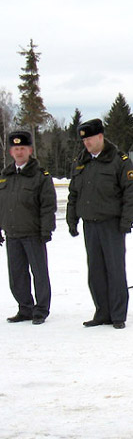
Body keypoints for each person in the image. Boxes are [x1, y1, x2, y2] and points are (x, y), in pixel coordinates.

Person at [66, 118, 133, 329]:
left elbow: (132, 191)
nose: (87, 143)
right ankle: (102, 312)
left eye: (90, 138)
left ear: (100, 136)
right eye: (84, 140)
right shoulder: (81, 161)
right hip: (90, 224)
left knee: (115, 269)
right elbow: (74, 193)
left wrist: (127, 221)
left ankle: (118, 315)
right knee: (96, 271)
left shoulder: (119, 160)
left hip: (112, 224)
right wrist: (72, 219)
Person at [0, 131, 56, 325]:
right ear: (10, 151)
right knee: (17, 275)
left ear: (30, 150)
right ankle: (25, 308)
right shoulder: (5, 176)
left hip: (33, 233)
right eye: (16, 148)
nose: (19, 152)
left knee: (39, 273)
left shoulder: (40, 176)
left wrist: (46, 230)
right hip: (12, 233)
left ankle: (41, 309)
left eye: (23, 148)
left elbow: (48, 205)